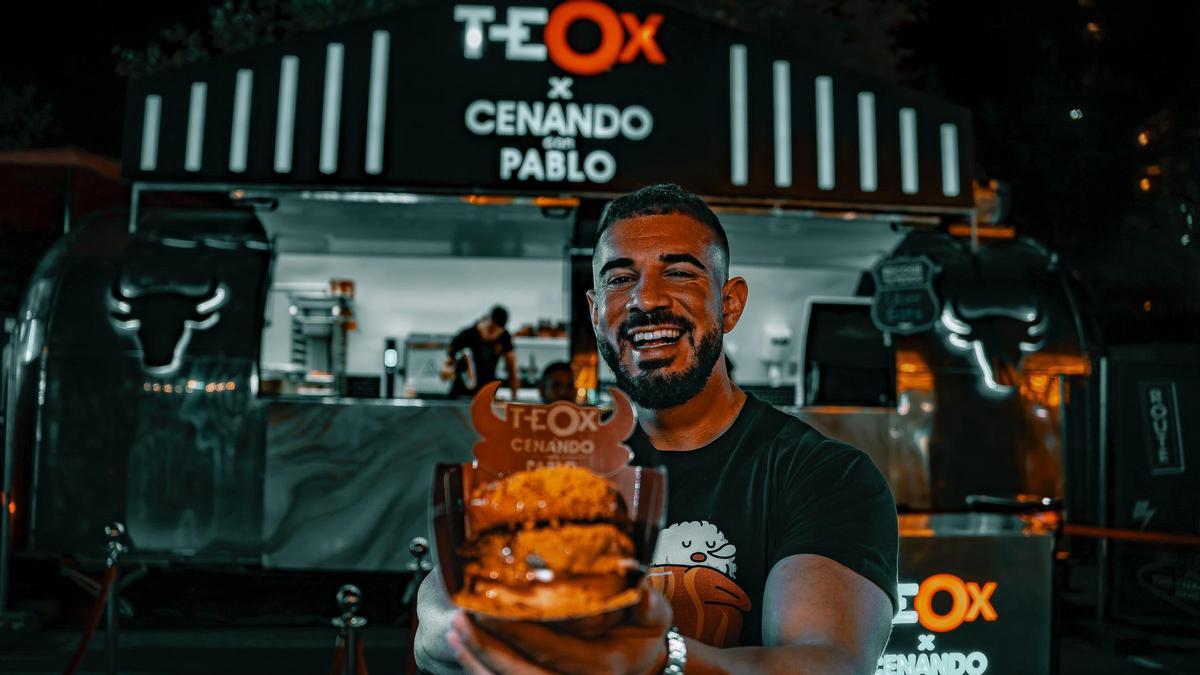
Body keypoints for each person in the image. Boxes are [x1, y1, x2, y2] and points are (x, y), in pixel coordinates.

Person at [416, 184, 898, 674]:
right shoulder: (561, 459)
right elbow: (436, 619)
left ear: (729, 305)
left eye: (679, 273)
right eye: (620, 279)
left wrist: (661, 659)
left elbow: (826, 663)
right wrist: (479, 625)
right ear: (595, 312)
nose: (645, 299)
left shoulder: (820, 475)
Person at [442, 305, 520, 399]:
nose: (493, 335)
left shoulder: (504, 337)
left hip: (486, 393)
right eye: (491, 330)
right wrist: (448, 371)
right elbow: (448, 364)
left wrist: (514, 398)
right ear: (486, 320)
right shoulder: (465, 336)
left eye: (497, 332)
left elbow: (512, 370)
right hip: (461, 392)